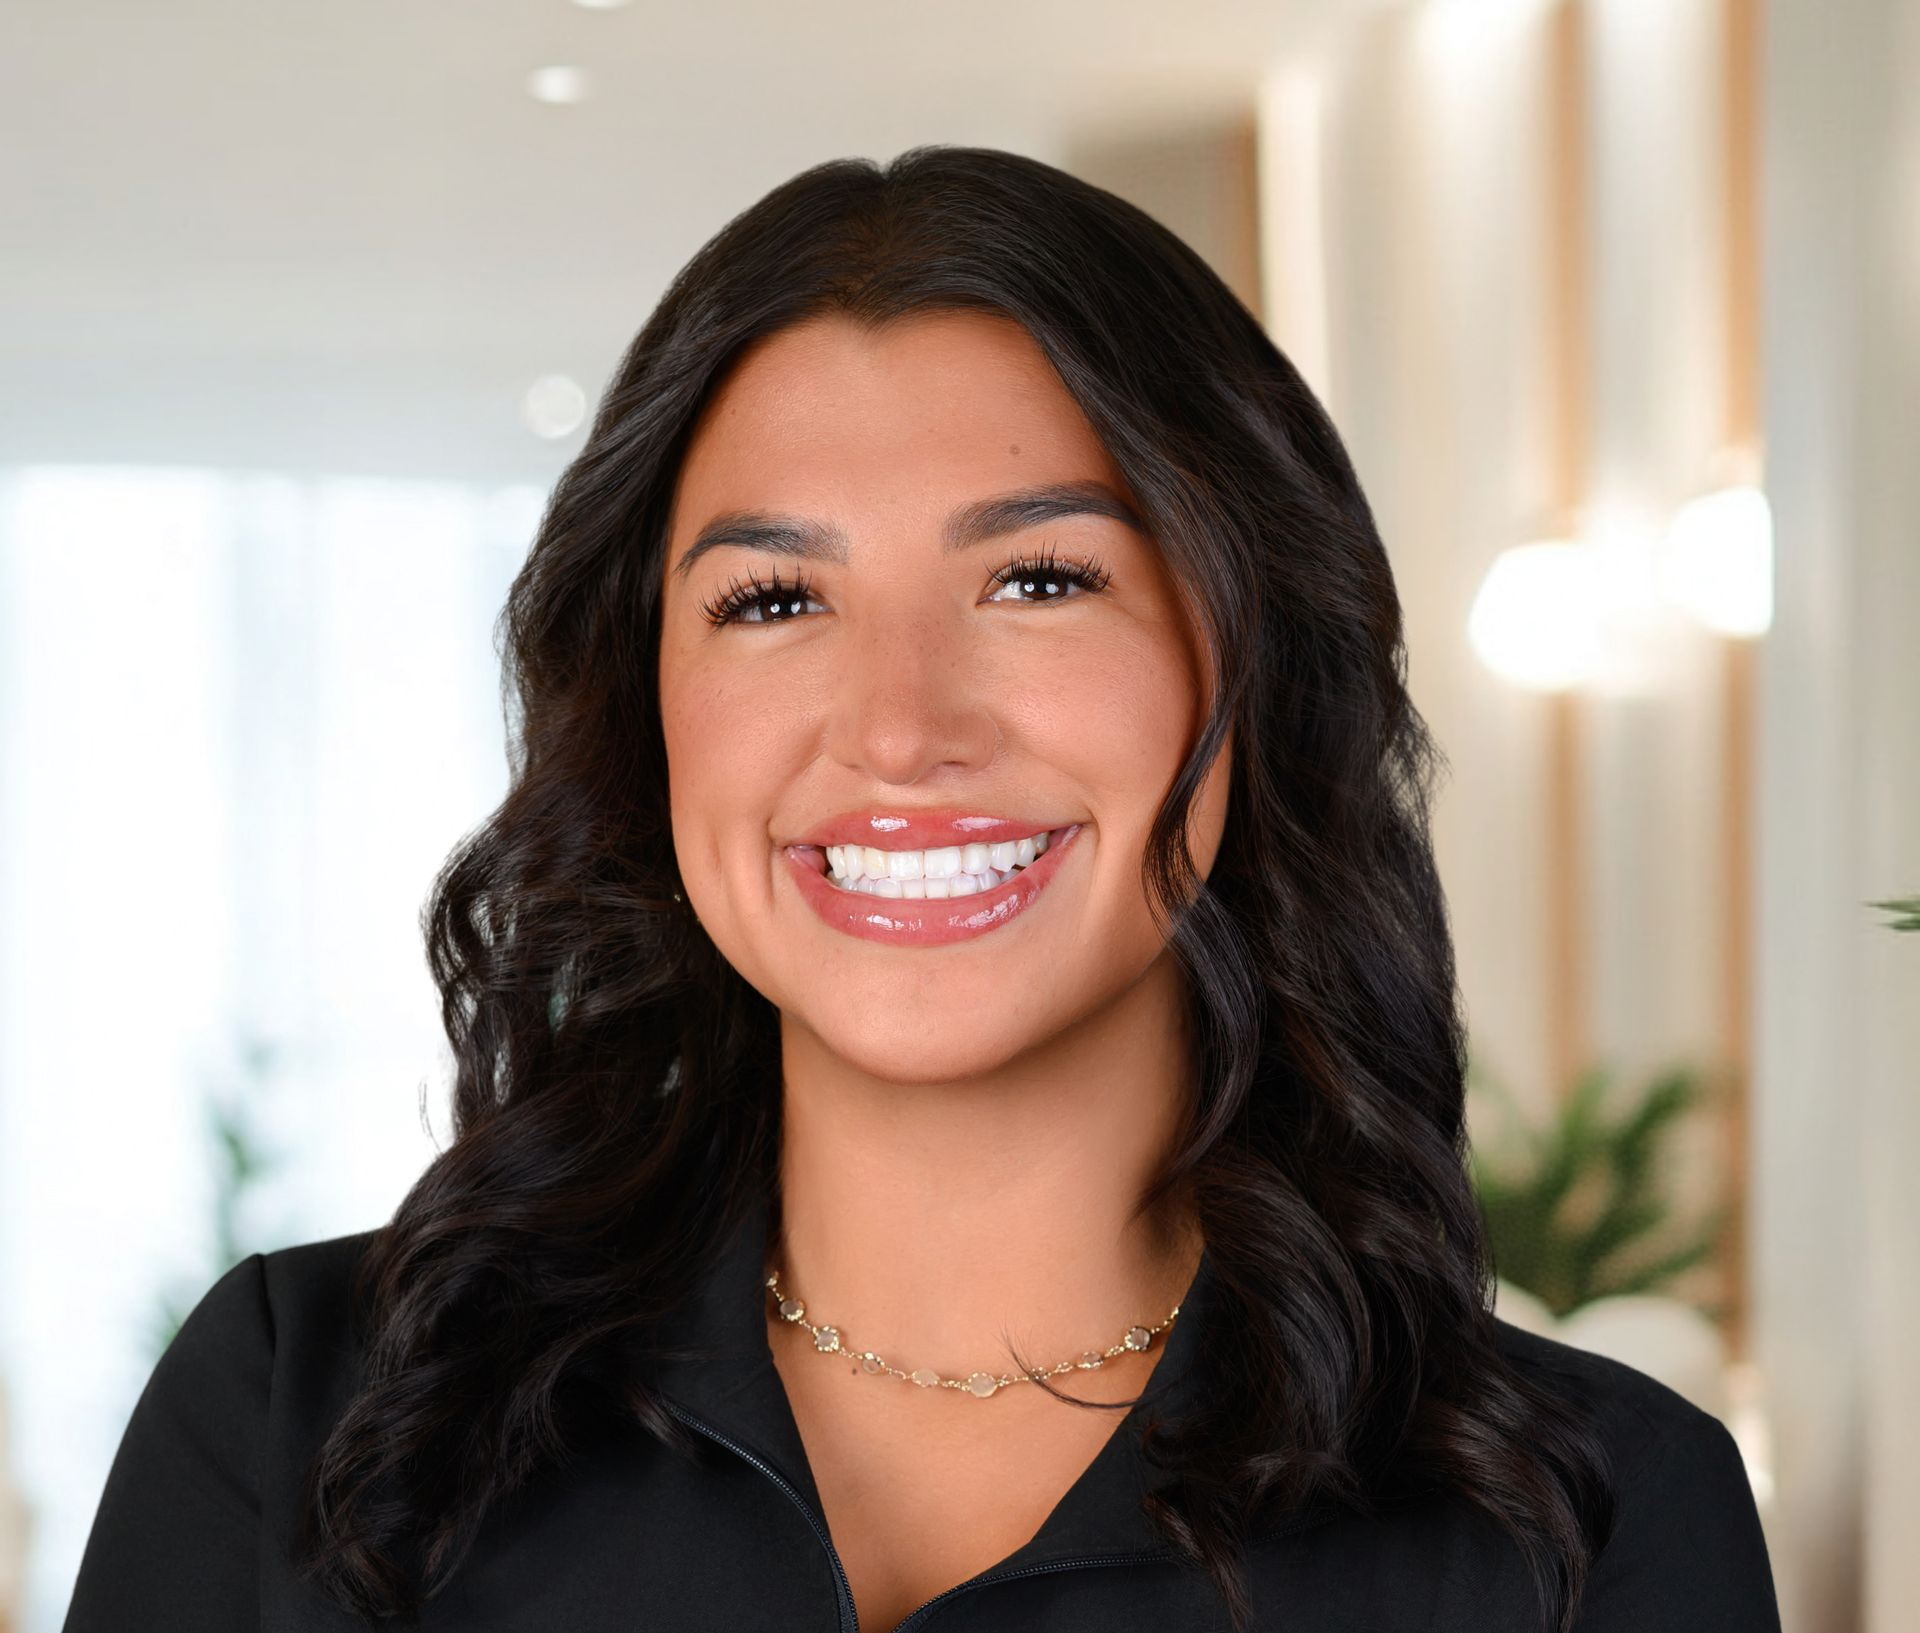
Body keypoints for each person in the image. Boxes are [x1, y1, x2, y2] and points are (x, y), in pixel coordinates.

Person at [62, 145, 1780, 1633]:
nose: (899, 731)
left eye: (1038, 577)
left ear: (1254, 664)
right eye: (771, 602)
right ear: (643, 707)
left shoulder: (1583, 1523)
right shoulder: (309, 1411)